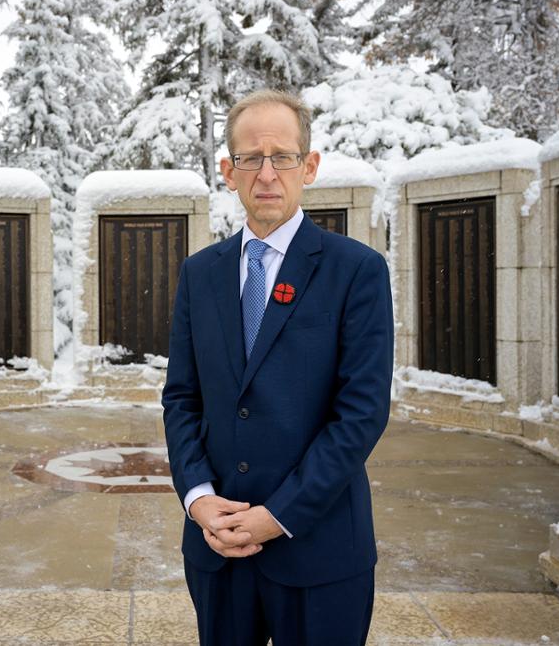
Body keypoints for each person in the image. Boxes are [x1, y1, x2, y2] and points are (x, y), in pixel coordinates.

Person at [162, 89, 394, 645]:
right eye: (249, 158)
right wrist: (199, 500)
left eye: (282, 157)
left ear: (308, 166)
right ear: (228, 170)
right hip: (219, 550)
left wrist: (279, 513)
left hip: (319, 550)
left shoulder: (356, 271)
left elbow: (359, 415)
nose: (266, 174)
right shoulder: (200, 274)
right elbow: (182, 399)